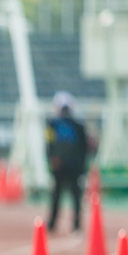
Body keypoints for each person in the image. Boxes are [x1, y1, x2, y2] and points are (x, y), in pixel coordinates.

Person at [45, 91, 89, 233]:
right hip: (65, 167)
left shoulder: (75, 126)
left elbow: (84, 147)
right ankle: (54, 223)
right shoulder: (53, 125)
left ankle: (72, 224)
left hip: (70, 167)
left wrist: (82, 167)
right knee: (59, 196)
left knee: (71, 197)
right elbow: (49, 145)